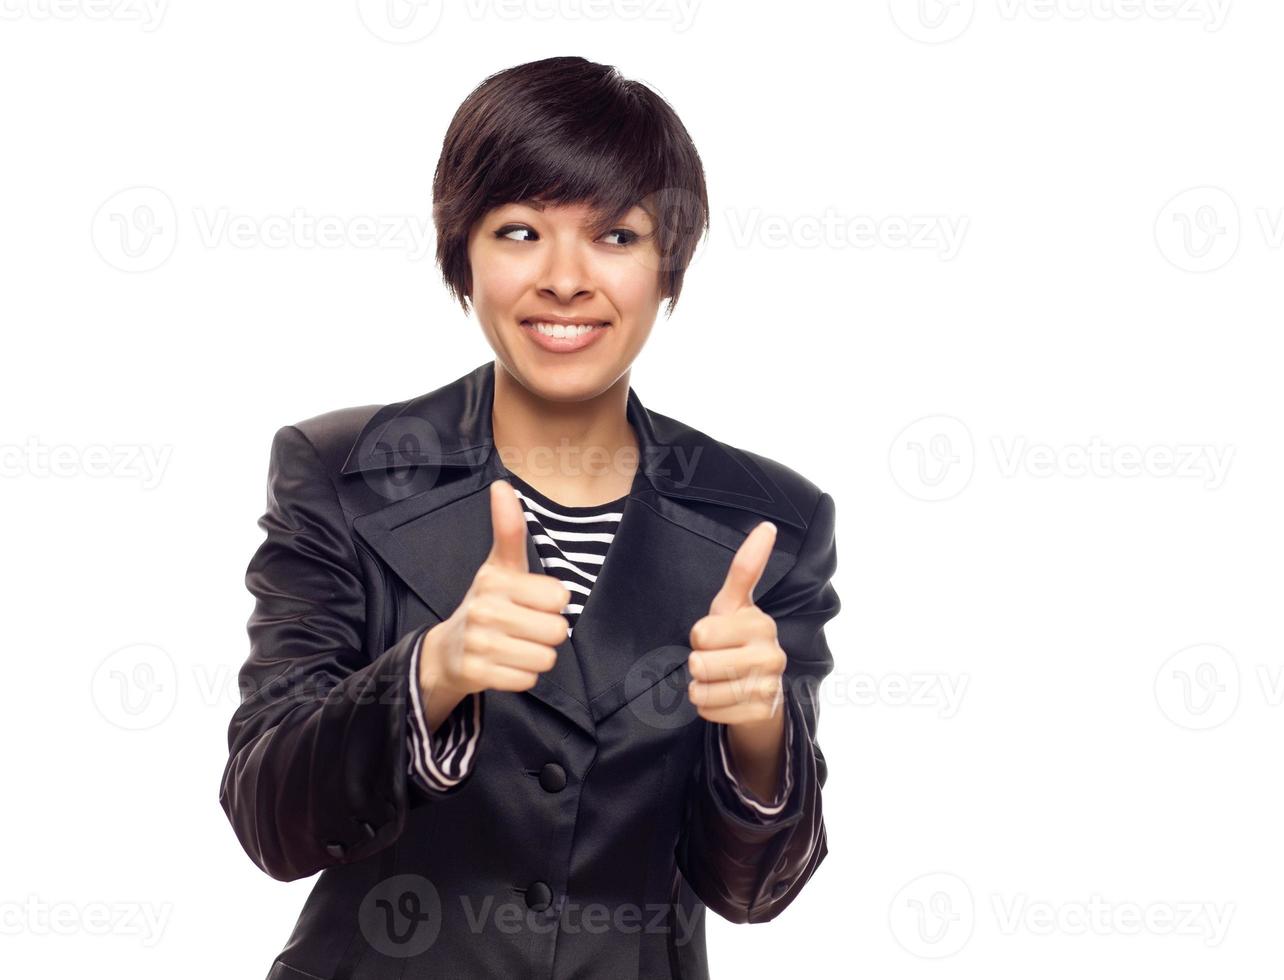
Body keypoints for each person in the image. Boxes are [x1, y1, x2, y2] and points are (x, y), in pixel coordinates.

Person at [219, 55, 840, 980]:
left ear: (669, 265)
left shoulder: (769, 521)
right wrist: (430, 673)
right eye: (519, 230)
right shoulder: (341, 474)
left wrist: (758, 732)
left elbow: (751, 890)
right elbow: (270, 818)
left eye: (616, 238)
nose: (564, 279)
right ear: (461, 253)